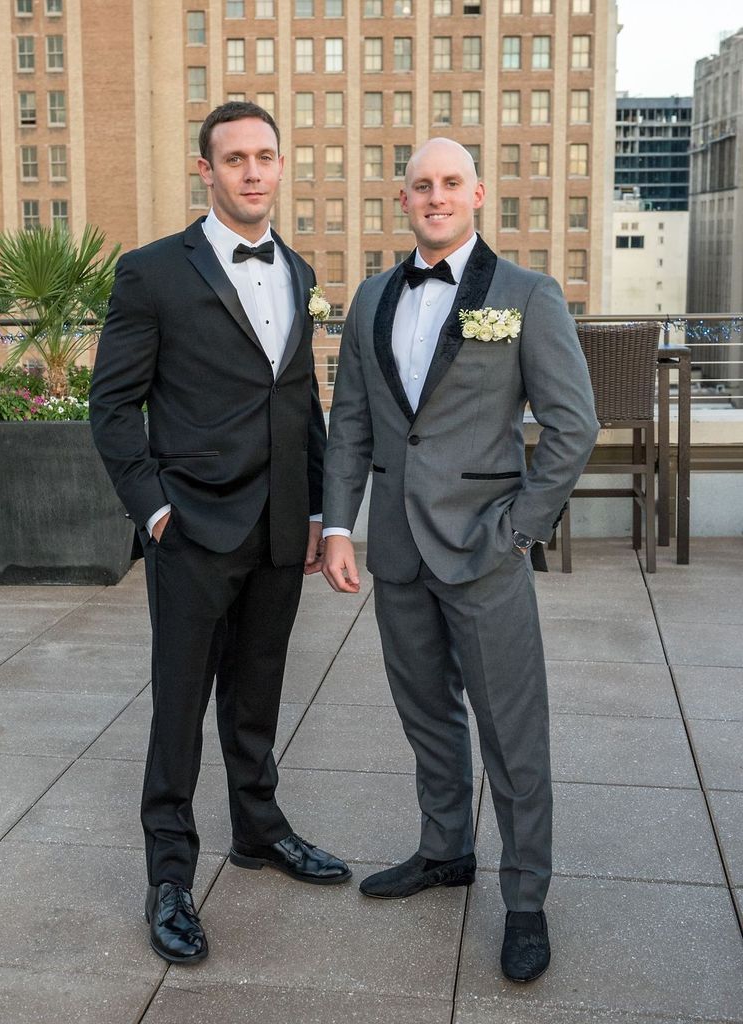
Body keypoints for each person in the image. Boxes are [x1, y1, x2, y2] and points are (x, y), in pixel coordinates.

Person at [321, 138, 599, 983]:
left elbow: (571, 424)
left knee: (513, 734)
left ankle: (525, 898)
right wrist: (339, 528)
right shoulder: (372, 298)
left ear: (477, 193)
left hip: (485, 550)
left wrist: (519, 528)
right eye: (420, 185)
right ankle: (444, 849)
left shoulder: (524, 294)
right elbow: (353, 425)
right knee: (426, 715)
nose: (435, 197)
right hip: (398, 553)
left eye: (450, 183)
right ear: (400, 199)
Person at [90, 101, 351, 967]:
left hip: (281, 526)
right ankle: (170, 876)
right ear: (206, 171)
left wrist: (317, 510)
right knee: (178, 709)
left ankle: (259, 830)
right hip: (193, 527)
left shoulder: (301, 270)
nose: (251, 170)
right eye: (234, 158)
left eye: (264, 156)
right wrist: (154, 509)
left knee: (258, 694)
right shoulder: (153, 272)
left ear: (280, 167)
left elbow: (299, 400)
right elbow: (112, 405)